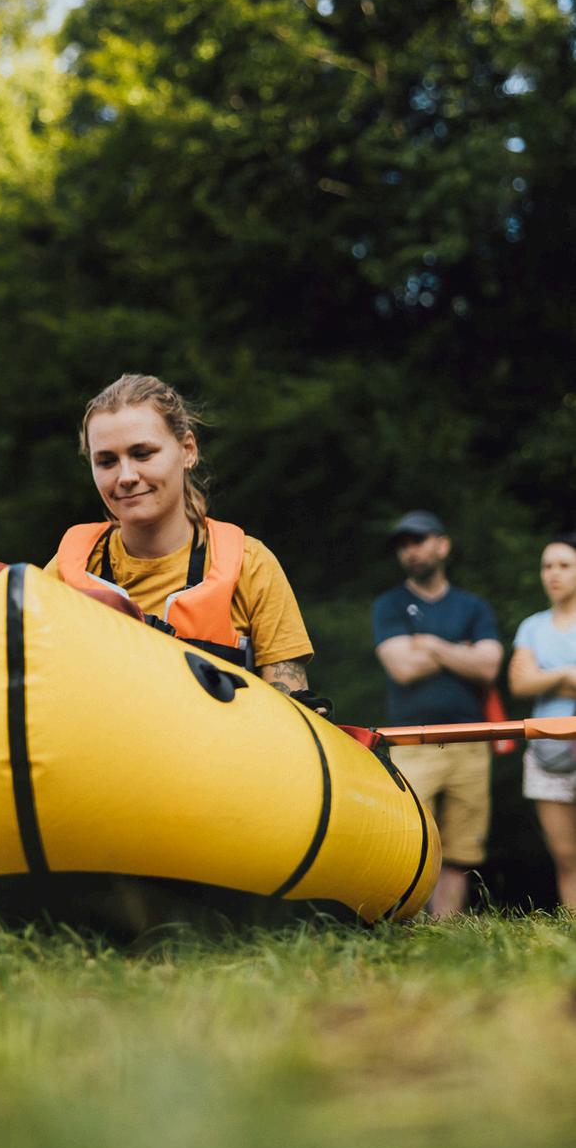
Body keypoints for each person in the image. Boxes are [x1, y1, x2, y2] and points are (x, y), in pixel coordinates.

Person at [44, 374, 316, 698]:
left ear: (188, 450)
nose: (126, 476)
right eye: (106, 461)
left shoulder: (251, 566)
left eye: (143, 453)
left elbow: (293, 709)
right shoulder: (65, 572)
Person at [372, 511, 502, 916]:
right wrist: (461, 651)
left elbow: (489, 667)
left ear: (442, 545)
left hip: (471, 740)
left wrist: (429, 643)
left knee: (461, 849)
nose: (410, 551)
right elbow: (402, 668)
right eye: (403, 544)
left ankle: (444, 933)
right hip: (412, 740)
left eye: (418, 540)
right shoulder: (390, 605)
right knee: (411, 840)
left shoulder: (474, 606)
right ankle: (410, 928)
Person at [508, 534, 576, 909]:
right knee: (565, 855)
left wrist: (543, 675)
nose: (553, 574)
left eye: (564, 565)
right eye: (547, 566)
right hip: (546, 753)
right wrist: (566, 674)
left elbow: (532, 678)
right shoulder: (532, 627)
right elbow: (519, 683)